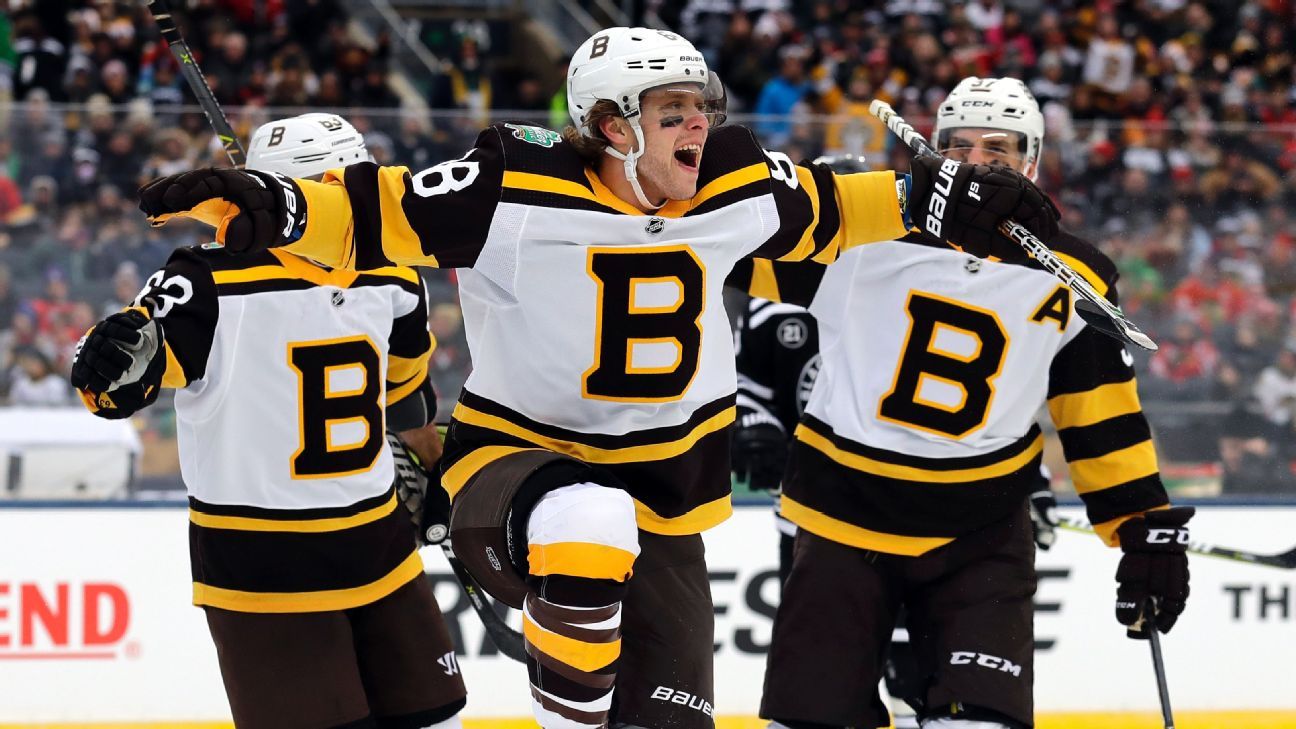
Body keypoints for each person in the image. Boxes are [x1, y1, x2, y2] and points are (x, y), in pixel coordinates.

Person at [132, 29, 1061, 729]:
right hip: (513, 472)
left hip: (665, 498)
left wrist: (942, 203)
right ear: (612, 127)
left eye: (703, 106)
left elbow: (836, 204)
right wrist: (282, 204)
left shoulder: (733, 181)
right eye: (673, 112)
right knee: (588, 517)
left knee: (670, 709)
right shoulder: (512, 184)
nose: (700, 123)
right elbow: (377, 212)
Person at [729, 78, 1192, 729]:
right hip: (842, 517)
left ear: (1031, 161)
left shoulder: (1074, 273)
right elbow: (731, 243)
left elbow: (1101, 421)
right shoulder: (861, 239)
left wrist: (1143, 530)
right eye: (960, 145)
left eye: (998, 149)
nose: (978, 160)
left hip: (980, 530)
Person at [69, 114, 467, 729]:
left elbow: (407, 395)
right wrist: (108, 363)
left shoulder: (393, 271)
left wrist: (434, 472)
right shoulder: (205, 278)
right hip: (263, 559)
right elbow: (124, 371)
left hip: (380, 542)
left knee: (439, 719)